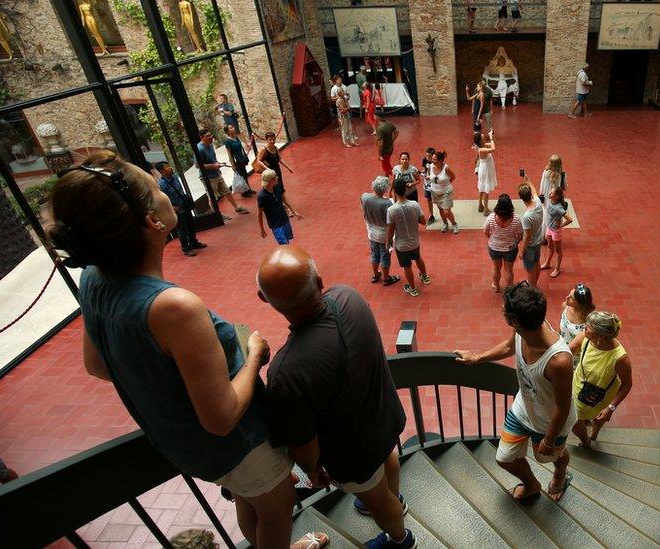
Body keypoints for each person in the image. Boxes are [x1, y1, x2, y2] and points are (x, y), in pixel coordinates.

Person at [48, 151, 323, 549]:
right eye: (156, 188)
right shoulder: (174, 307)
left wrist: (172, 381)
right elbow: (222, 417)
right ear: (151, 221)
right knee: (277, 509)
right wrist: (254, 354)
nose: (166, 191)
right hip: (239, 445)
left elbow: (97, 365)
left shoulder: (93, 279)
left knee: (250, 500)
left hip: (189, 447)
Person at [258, 246, 412, 549]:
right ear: (319, 282)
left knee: (380, 502)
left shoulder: (286, 371)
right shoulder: (347, 296)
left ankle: (400, 538)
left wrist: (313, 470)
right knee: (387, 463)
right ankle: (392, 499)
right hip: (385, 419)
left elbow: (303, 441)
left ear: (264, 300)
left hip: (353, 453)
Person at [455, 282, 576, 502]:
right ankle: (532, 485)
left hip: (551, 422)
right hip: (523, 409)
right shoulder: (522, 329)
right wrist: (477, 358)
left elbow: (563, 405)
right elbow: (509, 346)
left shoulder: (559, 360)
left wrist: (550, 439)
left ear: (514, 320)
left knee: (549, 456)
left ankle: (560, 472)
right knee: (504, 458)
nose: (502, 310)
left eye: (505, 310)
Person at [569, 311, 633, 447]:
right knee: (574, 421)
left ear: (601, 335)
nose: (584, 328)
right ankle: (585, 441)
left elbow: (627, 384)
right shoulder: (585, 338)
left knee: (598, 418)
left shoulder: (620, 358)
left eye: (588, 326)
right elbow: (567, 353)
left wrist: (611, 407)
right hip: (578, 389)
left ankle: (595, 429)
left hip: (602, 396)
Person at [387, 179, 431, 297]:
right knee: (418, 257)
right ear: (406, 189)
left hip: (402, 244)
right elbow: (423, 221)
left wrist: (388, 243)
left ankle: (413, 288)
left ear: (394, 191)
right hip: (415, 241)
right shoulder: (415, 205)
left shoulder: (391, 210)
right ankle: (425, 277)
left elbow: (390, 230)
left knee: (407, 266)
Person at [157, 161, 205, 257]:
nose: (170, 168)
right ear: (162, 171)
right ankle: (186, 248)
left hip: (184, 205)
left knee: (191, 225)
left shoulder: (175, 178)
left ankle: (194, 243)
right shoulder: (161, 184)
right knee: (182, 229)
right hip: (177, 209)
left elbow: (180, 191)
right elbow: (163, 198)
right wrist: (172, 207)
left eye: (170, 166)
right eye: (167, 167)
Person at [197, 130, 248, 215]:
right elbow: (198, 165)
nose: (210, 137)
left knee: (227, 191)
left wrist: (217, 167)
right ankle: (216, 214)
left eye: (210, 135)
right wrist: (213, 166)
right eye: (207, 136)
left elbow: (213, 159)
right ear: (201, 137)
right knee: (212, 197)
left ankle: (237, 208)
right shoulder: (200, 149)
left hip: (216, 174)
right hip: (208, 177)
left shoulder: (210, 145)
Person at [362, 176, 399, 287]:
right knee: (385, 255)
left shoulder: (364, 197)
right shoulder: (387, 203)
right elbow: (390, 221)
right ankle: (387, 278)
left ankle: (376, 274)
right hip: (384, 234)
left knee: (374, 254)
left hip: (371, 231)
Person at [484, 194, 523, 292]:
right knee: (508, 270)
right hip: (510, 248)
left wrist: (491, 238)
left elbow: (485, 231)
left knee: (496, 268)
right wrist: (516, 242)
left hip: (494, 247)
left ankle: (496, 286)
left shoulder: (491, 217)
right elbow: (520, 234)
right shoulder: (516, 219)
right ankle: (509, 288)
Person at [258, 170, 302, 245]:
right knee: (284, 244)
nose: (277, 178)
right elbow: (259, 213)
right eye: (275, 178)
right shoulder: (262, 196)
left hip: (284, 219)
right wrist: (262, 229)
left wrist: (294, 211)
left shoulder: (278, 186)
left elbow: (284, 199)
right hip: (275, 224)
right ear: (271, 180)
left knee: (287, 240)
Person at [540, 186, 573, 278]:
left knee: (558, 250)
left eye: (552, 193)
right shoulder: (551, 201)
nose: (549, 194)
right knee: (550, 247)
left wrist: (561, 225)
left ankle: (557, 269)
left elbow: (570, 219)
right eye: (550, 192)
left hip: (556, 231)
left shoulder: (559, 208)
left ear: (557, 197)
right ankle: (547, 263)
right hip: (549, 228)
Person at [517, 179, 544, 287]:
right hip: (539, 240)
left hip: (530, 245)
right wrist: (528, 180)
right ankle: (535, 283)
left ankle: (532, 288)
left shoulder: (527, 217)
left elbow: (527, 236)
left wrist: (522, 251)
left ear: (521, 198)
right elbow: (534, 191)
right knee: (537, 263)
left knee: (529, 268)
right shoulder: (538, 202)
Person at [427, 151, 459, 234]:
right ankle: (445, 224)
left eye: (434, 159)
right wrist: (428, 178)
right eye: (432, 159)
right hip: (434, 192)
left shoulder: (446, 168)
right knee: (440, 209)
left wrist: (447, 184)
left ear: (441, 160)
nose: (432, 161)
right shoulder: (430, 166)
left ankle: (454, 224)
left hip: (446, 192)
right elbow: (429, 175)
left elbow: (453, 176)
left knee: (446, 211)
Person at [559, 283, 595, 353]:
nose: (567, 297)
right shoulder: (565, 306)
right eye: (569, 294)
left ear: (579, 303)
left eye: (571, 298)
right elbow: (560, 329)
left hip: (577, 354)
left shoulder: (590, 319)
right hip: (562, 348)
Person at [224, 125, 255, 197]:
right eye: (231, 128)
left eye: (233, 127)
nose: (233, 128)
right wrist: (233, 164)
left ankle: (248, 189)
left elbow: (240, 148)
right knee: (242, 176)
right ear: (227, 131)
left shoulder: (236, 137)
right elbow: (229, 154)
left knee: (245, 174)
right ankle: (244, 192)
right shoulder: (227, 141)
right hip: (236, 160)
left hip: (242, 159)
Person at [474, 130, 498, 215]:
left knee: (481, 188)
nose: (485, 138)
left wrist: (492, 136)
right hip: (485, 170)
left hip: (485, 169)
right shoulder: (482, 150)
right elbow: (493, 148)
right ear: (480, 140)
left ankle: (480, 205)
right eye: (483, 137)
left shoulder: (483, 146)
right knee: (486, 190)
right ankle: (486, 209)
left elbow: (494, 144)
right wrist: (490, 137)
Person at [375, 114, 398, 178]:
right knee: (387, 165)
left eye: (374, 116)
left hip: (384, 151)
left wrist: (379, 154)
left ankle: (397, 176)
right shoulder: (389, 123)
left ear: (377, 117)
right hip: (390, 148)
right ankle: (386, 179)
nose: (374, 117)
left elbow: (380, 142)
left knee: (386, 167)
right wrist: (392, 141)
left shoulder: (380, 128)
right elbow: (396, 132)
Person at [420, 147, 437, 224]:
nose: (427, 157)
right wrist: (422, 173)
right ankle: (431, 215)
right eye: (426, 155)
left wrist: (431, 177)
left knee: (438, 200)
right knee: (428, 199)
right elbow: (424, 169)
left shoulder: (436, 162)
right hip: (427, 183)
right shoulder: (425, 160)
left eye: (429, 156)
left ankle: (444, 213)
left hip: (435, 183)